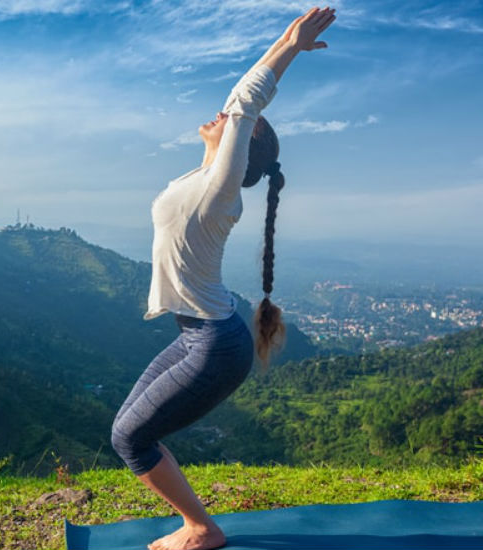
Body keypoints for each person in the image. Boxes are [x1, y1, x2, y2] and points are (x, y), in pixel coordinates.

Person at [110, 7, 337, 550]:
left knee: (130, 438)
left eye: (236, 124)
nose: (221, 113)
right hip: (199, 333)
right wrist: (283, 42)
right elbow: (239, 103)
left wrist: (287, 49)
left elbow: (244, 101)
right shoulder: (203, 177)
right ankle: (197, 524)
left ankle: (202, 530)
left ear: (244, 144)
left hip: (215, 344)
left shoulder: (221, 191)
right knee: (129, 428)